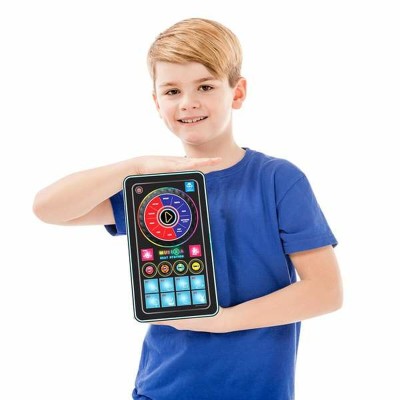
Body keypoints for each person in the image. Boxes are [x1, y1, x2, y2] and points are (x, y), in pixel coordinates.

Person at [33, 17, 343, 400]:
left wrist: (222, 321)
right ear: (156, 102)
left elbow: (325, 291)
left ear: (237, 92)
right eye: (172, 90)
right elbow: (48, 208)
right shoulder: (151, 189)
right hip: (162, 389)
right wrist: (135, 167)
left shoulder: (278, 179)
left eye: (205, 86)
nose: (188, 102)